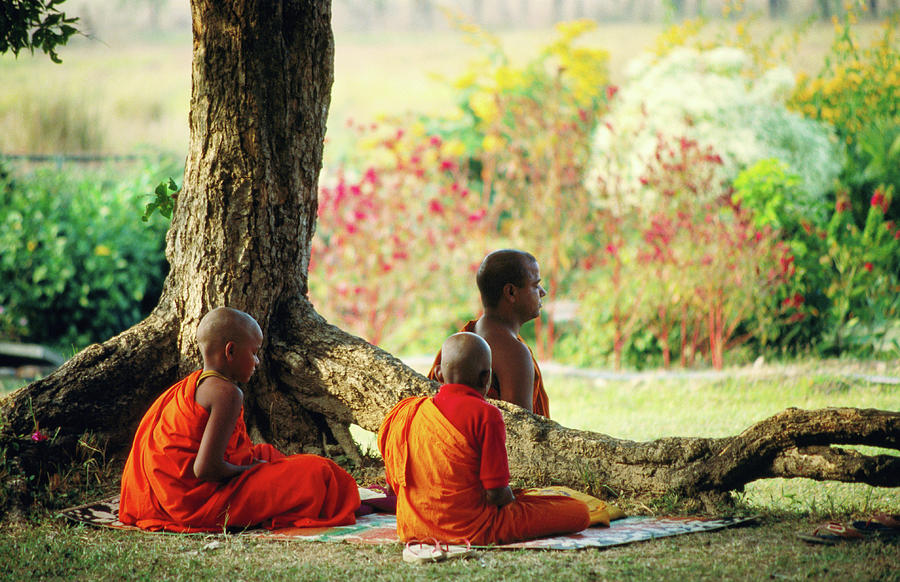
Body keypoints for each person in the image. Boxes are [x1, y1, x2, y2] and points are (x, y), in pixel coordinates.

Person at [119, 307, 360, 532]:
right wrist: (250, 470)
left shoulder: (197, 385)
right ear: (230, 351)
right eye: (254, 353)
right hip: (197, 503)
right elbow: (205, 469)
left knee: (267, 454)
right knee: (318, 472)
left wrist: (256, 465)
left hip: (168, 496)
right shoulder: (227, 393)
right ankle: (326, 494)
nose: (257, 362)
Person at [379, 332, 590, 545]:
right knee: (578, 511)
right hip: (472, 529)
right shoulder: (487, 415)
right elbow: (496, 495)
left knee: (533, 499)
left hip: (414, 527)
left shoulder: (411, 412)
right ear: (486, 378)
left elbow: (395, 484)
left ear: (439, 374)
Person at [427, 249, 550, 417]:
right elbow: (520, 434)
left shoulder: (465, 339)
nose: (543, 292)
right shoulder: (513, 353)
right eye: (535, 285)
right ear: (511, 292)